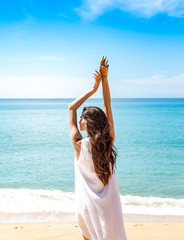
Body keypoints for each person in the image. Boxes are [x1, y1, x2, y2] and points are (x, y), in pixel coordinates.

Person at [68, 57, 127, 240]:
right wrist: (105, 79)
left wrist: (93, 89)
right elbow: (107, 105)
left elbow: (71, 108)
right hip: (108, 208)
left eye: (82, 118)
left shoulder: (79, 145)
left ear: (89, 122)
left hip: (86, 206)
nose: (80, 121)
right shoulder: (108, 141)